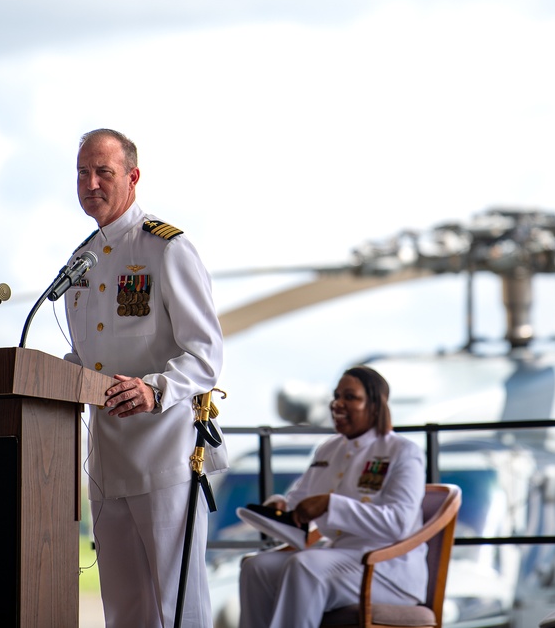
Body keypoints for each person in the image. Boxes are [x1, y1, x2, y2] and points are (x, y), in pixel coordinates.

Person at [63, 128, 226, 627]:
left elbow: (206, 353)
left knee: (179, 608)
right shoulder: (79, 262)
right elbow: (87, 358)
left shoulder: (165, 248)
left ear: (132, 177)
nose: (91, 182)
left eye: (104, 172)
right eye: (83, 173)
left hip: (165, 458)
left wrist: (156, 390)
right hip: (107, 462)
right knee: (126, 612)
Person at [238, 366, 427, 628]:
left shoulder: (403, 451)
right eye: (336, 396)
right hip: (338, 557)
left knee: (305, 565)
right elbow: (300, 498)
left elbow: (398, 523)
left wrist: (331, 505)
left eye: (350, 397)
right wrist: (283, 506)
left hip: (386, 567)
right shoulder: (328, 449)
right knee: (257, 567)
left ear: (375, 405)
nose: (337, 404)